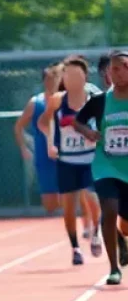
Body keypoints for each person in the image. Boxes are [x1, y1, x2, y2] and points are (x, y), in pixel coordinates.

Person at [39, 55, 102, 265]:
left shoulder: (95, 97)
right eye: (67, 74)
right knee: (68, 208)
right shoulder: (58, 100)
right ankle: (75, 247)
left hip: (91, 158)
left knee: (93, 197)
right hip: (67, 161)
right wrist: (50, 143)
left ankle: (96, 232)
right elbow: (44, 123)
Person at [74, 48, 128, 284]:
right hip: (106, 165)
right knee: (109, 210)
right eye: (112, 69)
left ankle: (122, 243)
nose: (115, 73)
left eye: (121, 68)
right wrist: (88, 132)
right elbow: (77, 121)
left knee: (124, 224)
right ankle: (114, 268)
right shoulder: (100, 101)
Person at [13, 64, 63, 215]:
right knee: (49, 202)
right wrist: (23, 148)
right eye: (47, 79)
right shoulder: (36, 103)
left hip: (65, 152)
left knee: (69, 194)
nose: (51, 82)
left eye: (54, 79)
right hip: (43, 153)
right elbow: (18, 126)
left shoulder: (65, 100)